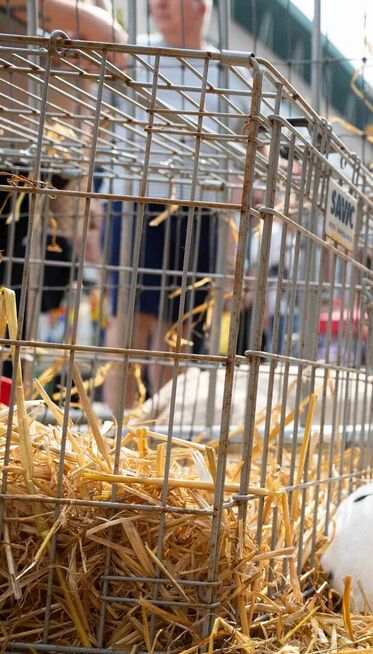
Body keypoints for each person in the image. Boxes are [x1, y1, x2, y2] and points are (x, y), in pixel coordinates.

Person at [103, 0, 222, 411]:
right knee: (128, 323)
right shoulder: (133, 54)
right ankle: (116, 437)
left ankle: (164, 437)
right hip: (136, 203)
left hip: (198, 210)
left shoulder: (227, 69)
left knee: (178, 332)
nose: (158, 5)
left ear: (200, 7)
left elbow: (247, 147)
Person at [0, 0, 126, 379]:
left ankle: (9, 410)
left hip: (49, 169)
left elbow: (115, 43)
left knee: (25, 299)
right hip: (14, 153)